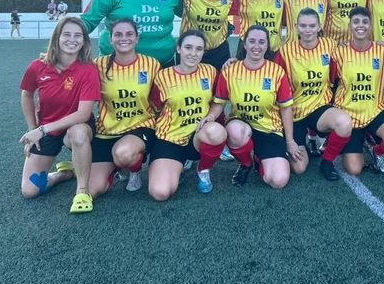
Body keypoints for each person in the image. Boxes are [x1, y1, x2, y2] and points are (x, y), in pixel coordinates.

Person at [18, 17, 100, 213]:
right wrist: (32, 129)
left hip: (76, 126)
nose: (72, 40)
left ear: (84, 41)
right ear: (57, 37)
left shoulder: (88, 70)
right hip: (47, 130)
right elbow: (27, 94)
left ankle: (81, 191)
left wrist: (42, 130)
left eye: (78, 35)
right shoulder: (38, 66)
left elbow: (83, 114)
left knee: (79, 133)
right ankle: (63, 174)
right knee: (30, 190)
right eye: (67, 34)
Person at [275, 8, 353, 181]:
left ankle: (327, 162)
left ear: (319, 27)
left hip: (319, 108)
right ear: (296, 27)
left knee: (344, 123)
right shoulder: (285, 51)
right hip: (294, 114)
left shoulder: (330, 46)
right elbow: (276, 87)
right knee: (299, 168)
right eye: (303, 25)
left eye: (311, 25)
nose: (307, 30)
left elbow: (336, 76)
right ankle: (301, 140)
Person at [148, 31, 227, 200]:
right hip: (170, 138)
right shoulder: (163, 76)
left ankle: (203, 169)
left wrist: (211, 116)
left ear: (203, 52)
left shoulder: (210, 72)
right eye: (188, 47)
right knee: (160, 193)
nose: (193, 53)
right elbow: (155, 108)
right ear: (178, 49)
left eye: (199, 49)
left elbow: (218, 101)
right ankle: (179, 163)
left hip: (198, 135)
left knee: (217, 132)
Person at [213, 26, 295, 189]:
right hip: (241, 127)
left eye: (261, 42)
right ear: (244, 44)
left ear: (267, 46)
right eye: (251, 41)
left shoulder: (277, 72)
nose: (256, 46)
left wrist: (290, 141)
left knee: (278, 181)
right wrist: (210, 117)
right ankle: (245, 163)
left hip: (269, 128)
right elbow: (219, 102)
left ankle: (257, 159)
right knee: (235, 131)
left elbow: (286, 108)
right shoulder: (230, 70)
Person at [88, 19, 161, 197]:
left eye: (129, 34)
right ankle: (115, 168)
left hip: (141, 127)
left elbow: (162, 100)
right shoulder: (98, 65)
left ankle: (134, 170)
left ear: (137, 39)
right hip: (106, 131)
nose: (124, 38)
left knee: (123, 153)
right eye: (118, 34)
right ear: (111, 39)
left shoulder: (152, 64)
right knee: (93, 189)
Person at [332, 7, 384, 175]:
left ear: (371, 26)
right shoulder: (338, 52)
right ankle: (356, 139)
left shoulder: (382, 51)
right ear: (349, 26)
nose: (361, 26)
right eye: (356, 22)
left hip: (375, 110)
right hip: (349, 114)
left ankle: (376, 150)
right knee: (354, 169)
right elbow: (331, 82)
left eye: (365, 22)